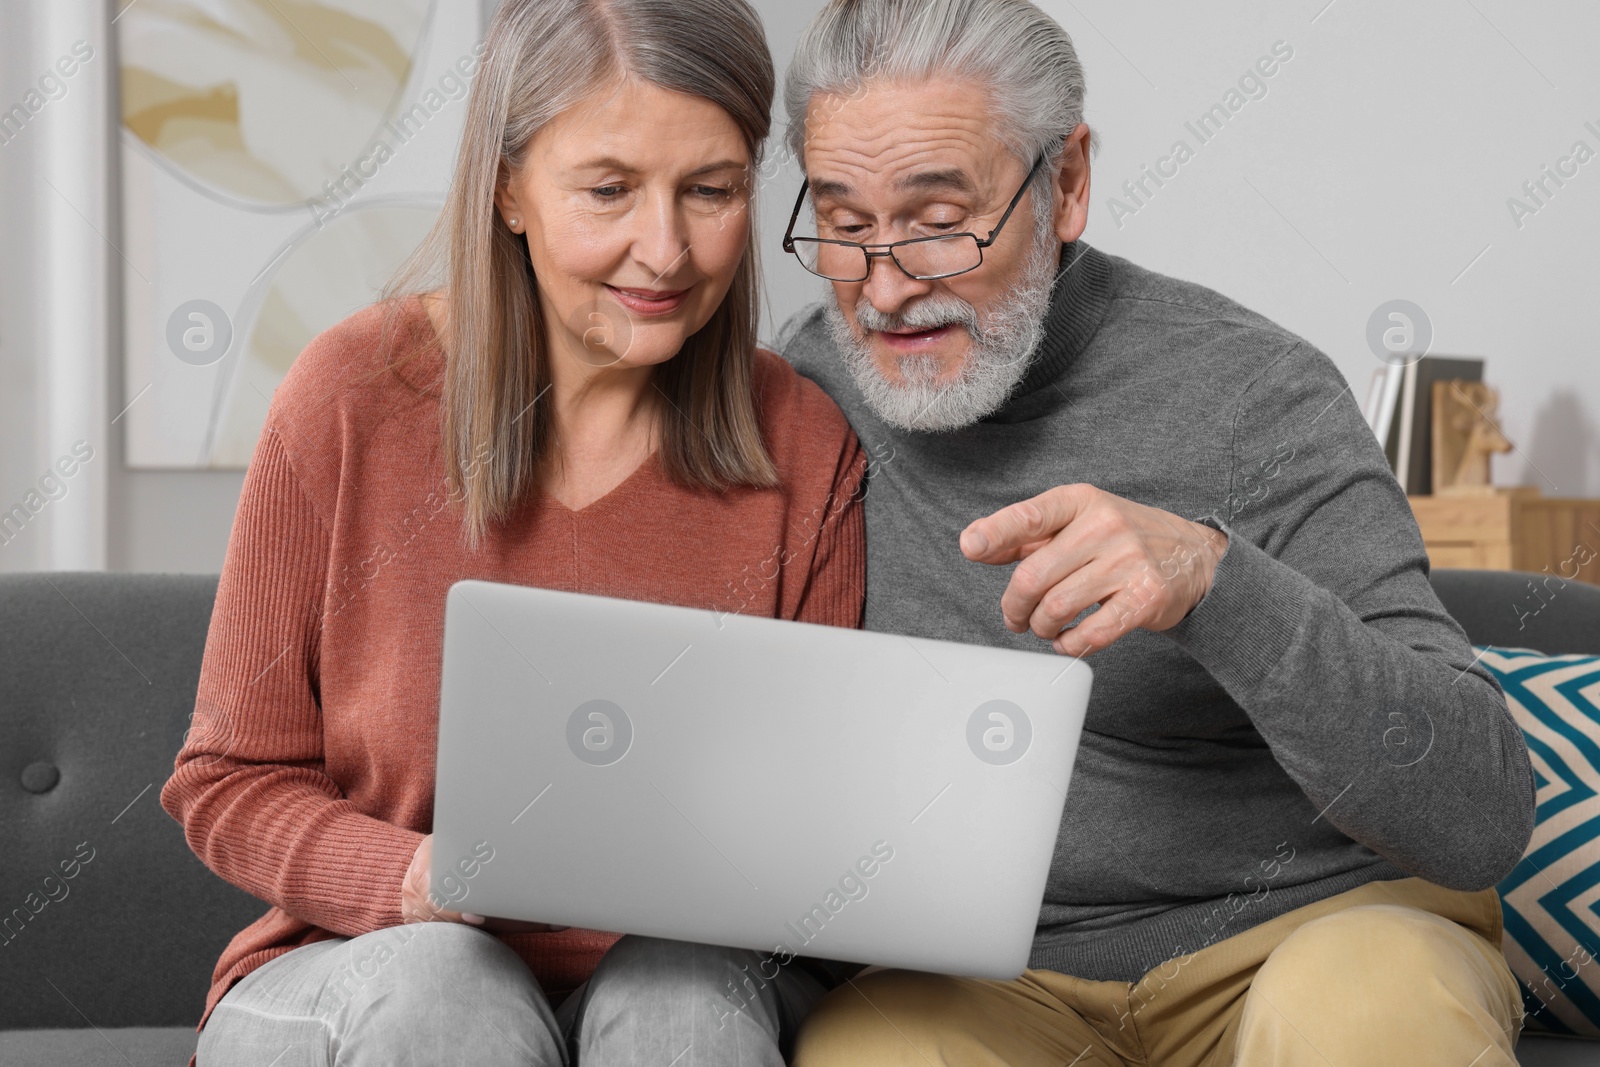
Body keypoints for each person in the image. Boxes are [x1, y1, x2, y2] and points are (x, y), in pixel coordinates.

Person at [774, 1, 1536, 1064]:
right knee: (872, 1050)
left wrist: (1217, 583)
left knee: (1359, 1010)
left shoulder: (1255, 392)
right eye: (845, 226)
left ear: (1068, 182)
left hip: (1309, 932)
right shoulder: (802, 393)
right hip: (990, 978)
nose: (886, 288)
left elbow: (1480, 810)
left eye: (940, 219)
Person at [161, 1, 863, 1064]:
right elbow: (225, 781)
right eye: (608, 190)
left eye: (710, 190)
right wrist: (404, 879)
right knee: (451, 983)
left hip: (672, 973)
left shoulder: (805, 442)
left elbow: (822, 812)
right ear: (508, 188)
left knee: (679, 994)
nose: (664, 249)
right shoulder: (347, 395)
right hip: (368, 966)